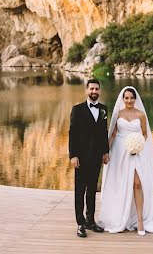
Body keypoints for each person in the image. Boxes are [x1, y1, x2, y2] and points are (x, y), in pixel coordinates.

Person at [99, 85, 153, 235]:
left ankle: (141, 220)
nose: (129, 100)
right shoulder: (118, 114)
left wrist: (137, 145)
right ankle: (121, 216)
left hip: (136, 153)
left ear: (135, 99)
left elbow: (145, 134)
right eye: (126, 98)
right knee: (122, 184)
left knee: (137, 183)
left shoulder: (141, 115)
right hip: (119, 154)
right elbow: (113, 134)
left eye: (131, 98)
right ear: (123, 99)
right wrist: (106, 152)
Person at [69, 78, 110, 238]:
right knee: (80, 190)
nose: (94, 92)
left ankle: (90, 220)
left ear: (99, 91)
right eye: (91, 89)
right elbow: (72, 134)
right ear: (86, 91)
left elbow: (103, 133)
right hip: (81, 157)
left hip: (96, 157)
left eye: (96, 89)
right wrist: (73, 155)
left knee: (92, 190)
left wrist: (105, 152)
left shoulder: (103, 109)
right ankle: (80, 223)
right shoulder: (77, 109)